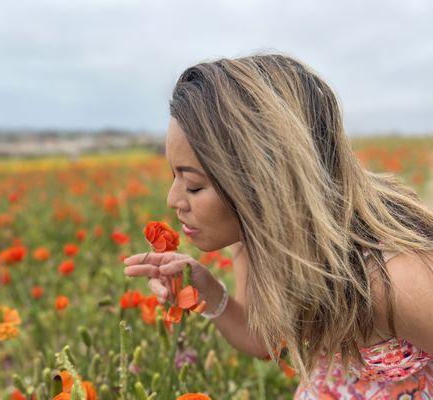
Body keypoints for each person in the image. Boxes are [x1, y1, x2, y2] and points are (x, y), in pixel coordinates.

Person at [123, 53, 433, 398]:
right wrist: (205, 289)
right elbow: (262, 340)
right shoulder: (254, 241)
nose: (173, 199)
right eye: (174, 176)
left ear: (264, 184)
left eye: (194, 185)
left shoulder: (391, 282)